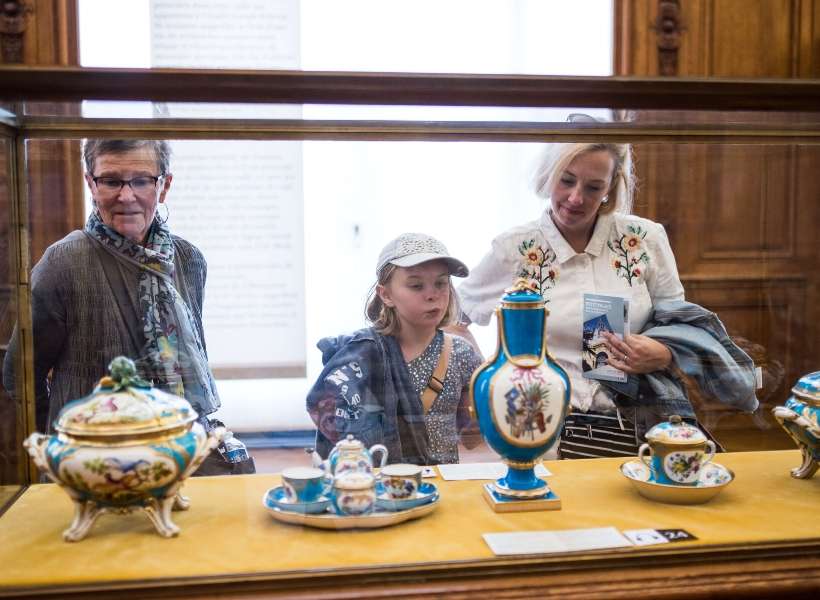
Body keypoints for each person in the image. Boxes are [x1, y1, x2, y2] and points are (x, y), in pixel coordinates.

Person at [453, 136, 758, 458]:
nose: (575, 198)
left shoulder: (644, 239)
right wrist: (488, 374)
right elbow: (453, 318)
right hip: (541, 427)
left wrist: (665, 350)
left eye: (593, 187)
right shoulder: (516, 247)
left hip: (636, 421)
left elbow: (678, 321)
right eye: (566, 181)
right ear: (549, 176)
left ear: (611, 187)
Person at [2, 139, 253, 474]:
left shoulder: (188, 259)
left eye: (141, 180)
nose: (126, 195)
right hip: (98, 462)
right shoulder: (64, 262)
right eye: (111, 180)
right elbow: (20, 375)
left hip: (181, 446)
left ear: (164, 186)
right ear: (91, 183)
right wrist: (64, 442)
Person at [306, 233, 483, 465]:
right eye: (416, 285)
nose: (432, 295)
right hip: (375, 486)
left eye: (441, 283)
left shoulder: (462, 354)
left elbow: (472, 438)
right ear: (386, 295)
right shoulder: (361, 356)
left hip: (441, 487)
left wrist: (493, 384)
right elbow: (327, 414)